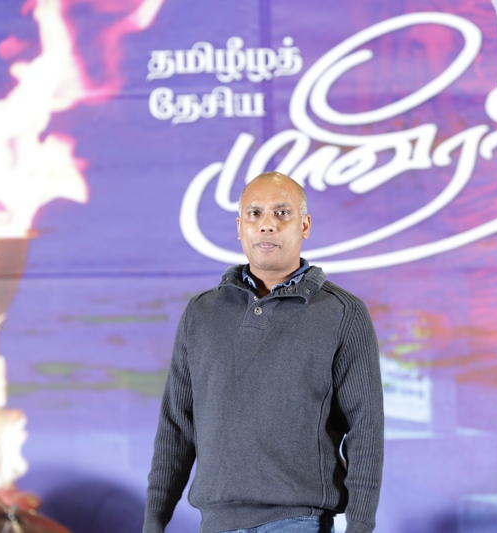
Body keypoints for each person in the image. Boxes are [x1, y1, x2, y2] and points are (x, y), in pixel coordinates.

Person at [143, 172, 384, 533]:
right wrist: (153, 523)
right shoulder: (202, 313)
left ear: (305, 225)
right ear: (240, 227)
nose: (267, 224)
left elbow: (366, 429)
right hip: (215, 524)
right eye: (254, 213)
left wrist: (360, 527)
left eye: (282, 213)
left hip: (299, 522)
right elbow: (176, 427)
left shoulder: (342, 313)